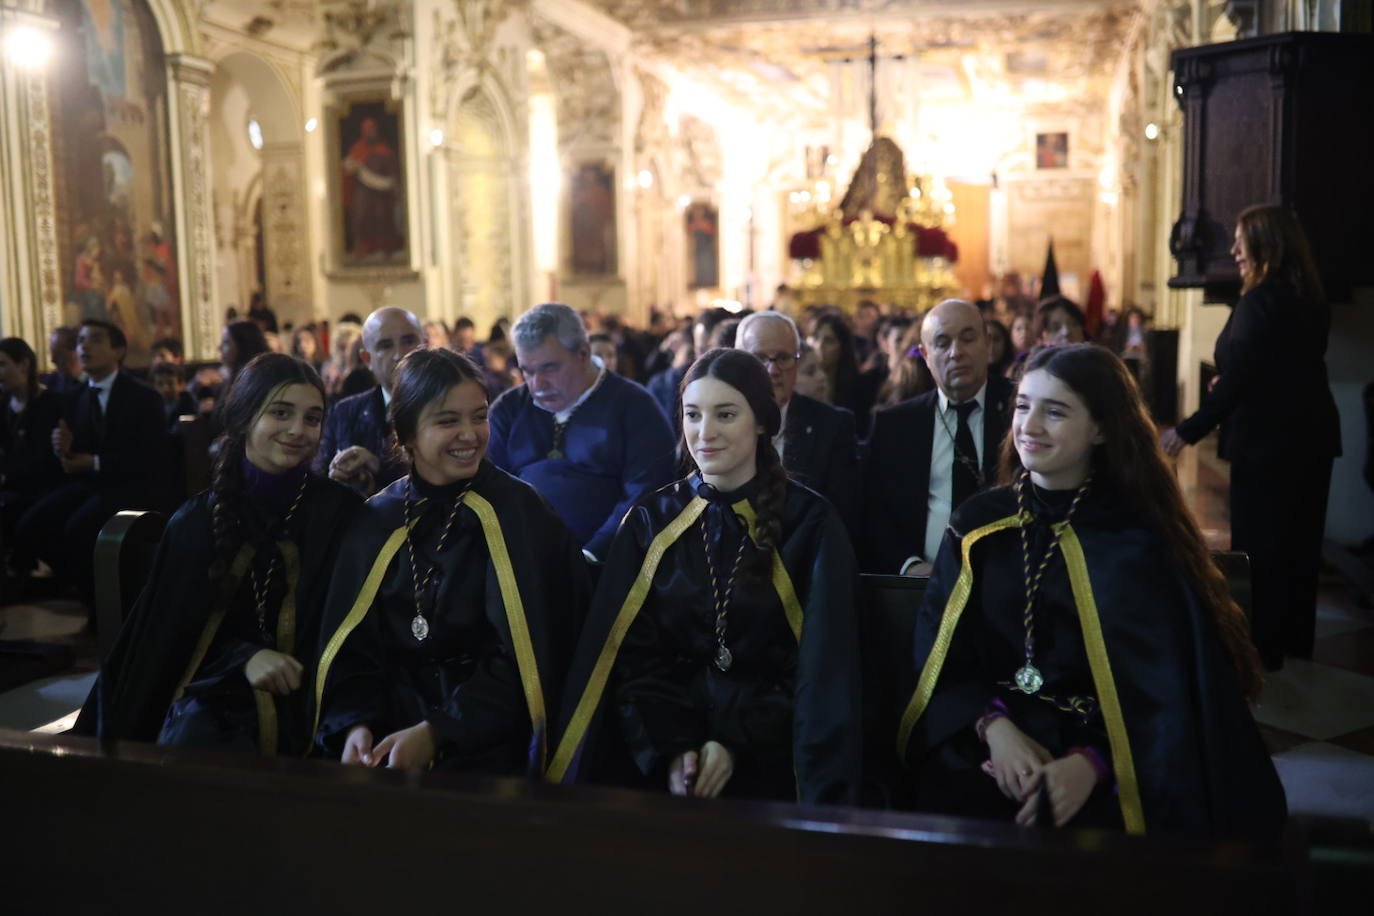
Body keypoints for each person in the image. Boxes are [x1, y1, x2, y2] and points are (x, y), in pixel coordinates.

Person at [898, 344, 1284, 840]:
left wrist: (1093, 764)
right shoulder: (979, 527)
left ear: (1101, 428)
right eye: (1022, 406)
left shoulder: (1136, 538)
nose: (1029, 426)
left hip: (1116, 749)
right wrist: (993, 730)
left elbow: (1165, 692)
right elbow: (940, 653)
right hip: (992, 735)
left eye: (1054, 412)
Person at [549, 349, 861, 804]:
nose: (705, 432)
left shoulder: (810, 524)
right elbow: (630, 658)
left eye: (726, 414)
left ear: (761, 422)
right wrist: (676, 748)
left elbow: (821, 673)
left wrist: (734, 743)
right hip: (664, 756)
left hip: (776, 756)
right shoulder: (650, 521)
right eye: (692, 415)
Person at [315, 348, 589, 774]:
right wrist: (356, 723)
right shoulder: (376, 519)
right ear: (406, 434)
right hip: (388, 732)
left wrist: (438, 731)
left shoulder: (521, 512)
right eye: (448, 420)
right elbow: (352, 650)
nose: (470, 434)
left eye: (478, 416)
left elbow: (531, 657)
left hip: (491, 741)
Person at [73, 353, 364, 753]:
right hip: (219, 694)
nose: (298, 430)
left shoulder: (339, 511)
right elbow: (170, 639)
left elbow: (356, 624)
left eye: (312, 418)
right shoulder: (198, 521)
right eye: (280, 413)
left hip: (319, 691)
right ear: (245, 417)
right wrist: (243, 657)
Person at [1161, 205, 1340, 669]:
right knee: (1299, 548)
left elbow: (1241, 377)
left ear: (1267, 244)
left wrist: (1184, 432)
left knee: (1261, 550)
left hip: (1268, 444)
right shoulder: (1308, 296)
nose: (1234, 250)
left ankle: (1260, 650)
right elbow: (1287, 367)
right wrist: (1242, 381)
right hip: (1312, 437)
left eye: (1242, 240)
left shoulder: (1260, 300)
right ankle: (1294, 643)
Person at [488, 303, 676, 561]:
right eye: (527, 371)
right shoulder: (509, 409)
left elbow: (647, 493)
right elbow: (489, 486)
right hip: (519, 561)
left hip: (610, 564)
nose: (537, 384)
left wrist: (593, 554)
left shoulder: (635, 407)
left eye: (550, 368)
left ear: (583, 353)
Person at [17, 320, 168, 600]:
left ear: (118, 351)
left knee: (78, 528)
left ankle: (105, 604)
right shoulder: (73, 397)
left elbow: (151, 458)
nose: (84, 346)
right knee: (30, 524)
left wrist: (95, 463)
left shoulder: (143, 397)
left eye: (95, 340)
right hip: (90, 485)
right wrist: (61, 449)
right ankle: (81, 587)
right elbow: (71, 453)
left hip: (131, 486)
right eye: (81, 341)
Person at [863, 299, 1014, 575]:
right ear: (925, 355)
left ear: (988, 344)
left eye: (968, 339)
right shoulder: (894, 425)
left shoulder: (1019, 410)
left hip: (1007, 579)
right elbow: (873, 512)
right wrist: (909, 566)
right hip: (920, 584)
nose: (956, 353)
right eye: (942, 343)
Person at [736, 311, 858, 531]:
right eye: (759, 358)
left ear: (797, 362)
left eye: (783, 358)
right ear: (738, 362)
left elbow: (840, 519)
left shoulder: (832, 426)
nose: (772, 370)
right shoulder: (717, 423)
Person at [315, 307, 422, 496]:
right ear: (367, 358)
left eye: (408, 341)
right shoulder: (344, 412)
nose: (399, 354)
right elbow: (319, 478)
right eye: (385, 345)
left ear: (425, 346)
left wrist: (379, 467)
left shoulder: (446, 409)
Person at [0, 338, 64, 570]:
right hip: (12, 486)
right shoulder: (4, 404)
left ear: (24, 365)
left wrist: (7, 477)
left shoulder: (50, 403)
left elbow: (46, 460)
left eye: (3, 365)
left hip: (43, 487)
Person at [807, 313, 878, 437]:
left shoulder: (860, 387)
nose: (819, 346)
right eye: (816, 338)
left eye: (829, 340)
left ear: (842, 347)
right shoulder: (802, 384)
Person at [221, 319, 271, 387]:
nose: (220, 347)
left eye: (226, 342)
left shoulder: (255, 381)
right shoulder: (232, 377)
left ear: (242, 345)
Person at [40, 326, 82, 395]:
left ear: (74, 352)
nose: (52, 360)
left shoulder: (95, 382)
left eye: (57, 353)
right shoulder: (48, 383)